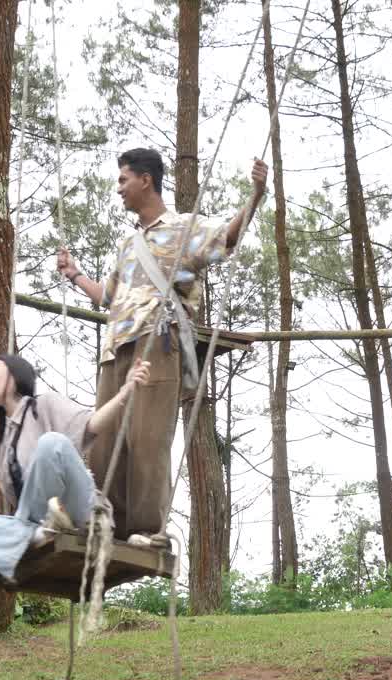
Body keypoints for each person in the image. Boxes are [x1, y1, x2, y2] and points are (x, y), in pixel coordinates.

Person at [56, 149, 268, 546]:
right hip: (115, 347)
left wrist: (255, 194)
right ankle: (105, 526)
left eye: (123, 180)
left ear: (145, 180)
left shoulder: (184, 228)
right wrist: (75, 275)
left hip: (158, 340)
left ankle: (146, 530)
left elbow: (229, 237)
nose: (118, 188)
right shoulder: (128, 244)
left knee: (148, 437)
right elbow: (108, 297)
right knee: (103, 439)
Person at [0, 353, 151, 582]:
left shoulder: (44, 404)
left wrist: (125, 392)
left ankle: (38, 531)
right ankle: (37, 534)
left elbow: (93, 424)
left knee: (52, 443)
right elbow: (24, 506)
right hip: (36, 522)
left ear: (15, 373)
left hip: (79, 509)